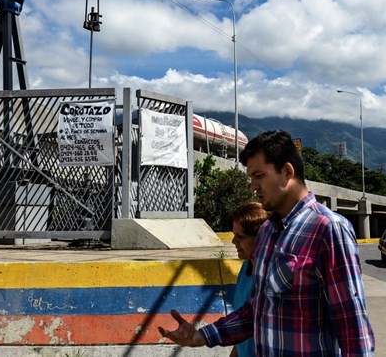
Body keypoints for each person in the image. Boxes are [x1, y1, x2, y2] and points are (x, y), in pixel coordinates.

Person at [159, 130, 375, 356]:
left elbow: (352, 325)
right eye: (251, 177)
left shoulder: (328, 229)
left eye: (259, 176)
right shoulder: (267, 232)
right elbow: (256, 313)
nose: (252, 186)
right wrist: (202, 336)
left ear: (287, 171)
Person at [225, 202, 270, 357]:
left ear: (260, 238)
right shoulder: (245, 268)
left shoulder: (270, 275)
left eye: (240, 237)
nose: (233, 242)